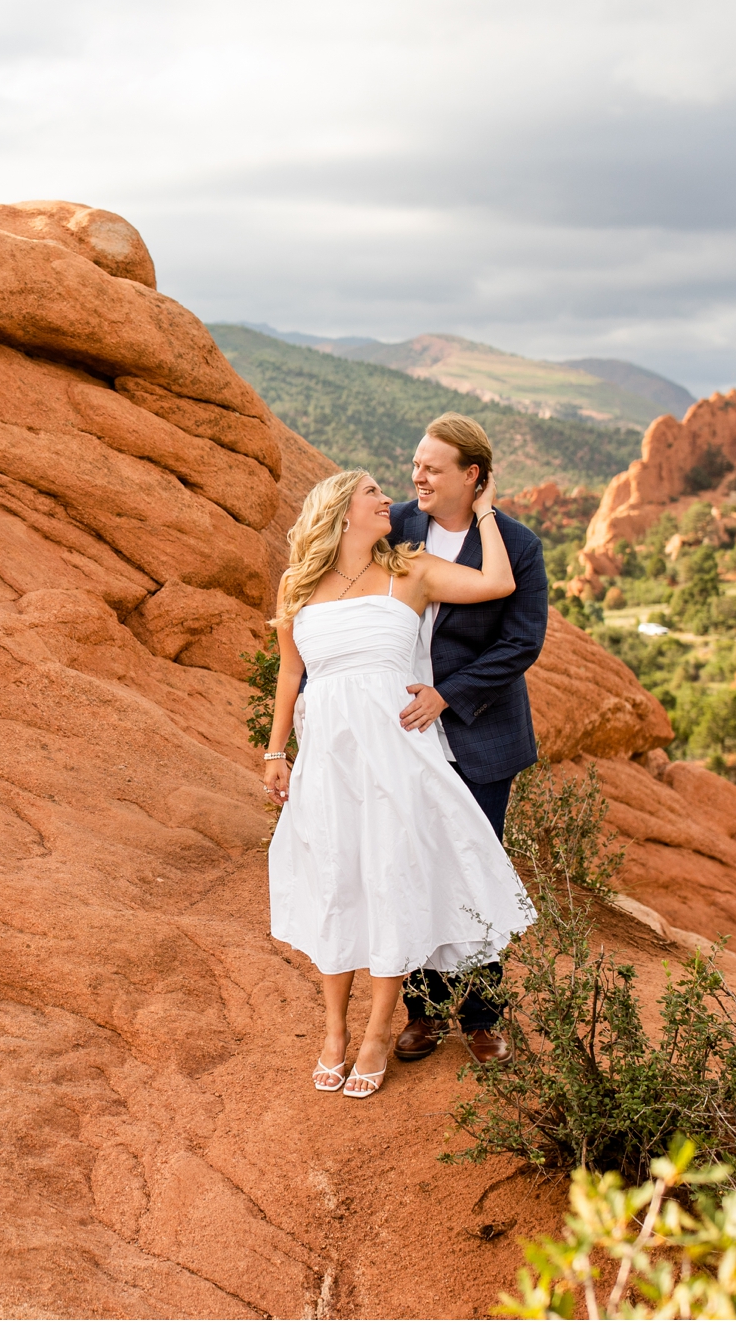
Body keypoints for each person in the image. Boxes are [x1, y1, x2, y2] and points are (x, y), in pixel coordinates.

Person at [262, 466, 538, 1100]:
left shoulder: (409, 570)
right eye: (371, 494)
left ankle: (377, 1033)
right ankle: (333, 1032)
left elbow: (497, 582)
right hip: (330, 759)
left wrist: (487, 510)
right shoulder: (297, 585)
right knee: (336, 883)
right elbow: (289, 674)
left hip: (396, 756)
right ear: (340, 512)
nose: (387, 499)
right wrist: (276, 750)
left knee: (390, 882)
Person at [388, 414, 549, 1066]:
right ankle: (423, 1013)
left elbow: (522, 640)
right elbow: (360, 603)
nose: (417, 475)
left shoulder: (517, 544)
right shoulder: (398, 526)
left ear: (471, 476)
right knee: (415, 867)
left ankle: (482, 1017)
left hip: (479, 734)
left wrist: (447, 693)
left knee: (476, 870)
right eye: (417, 463)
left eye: (432, 467)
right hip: (401, 731)